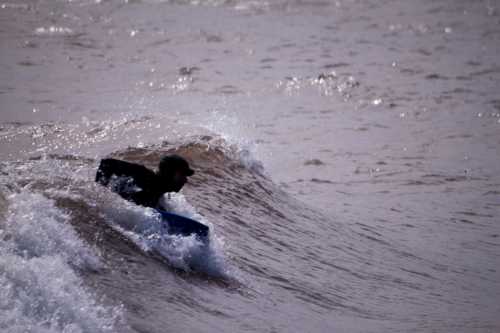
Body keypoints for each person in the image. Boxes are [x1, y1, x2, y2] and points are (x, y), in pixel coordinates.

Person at [95, 154, 194, 209]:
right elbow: (107, 164)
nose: (185, 180)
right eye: (181, 175)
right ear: (168, 173)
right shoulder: (145, 175)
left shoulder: (160, 191)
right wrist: (99, 193)